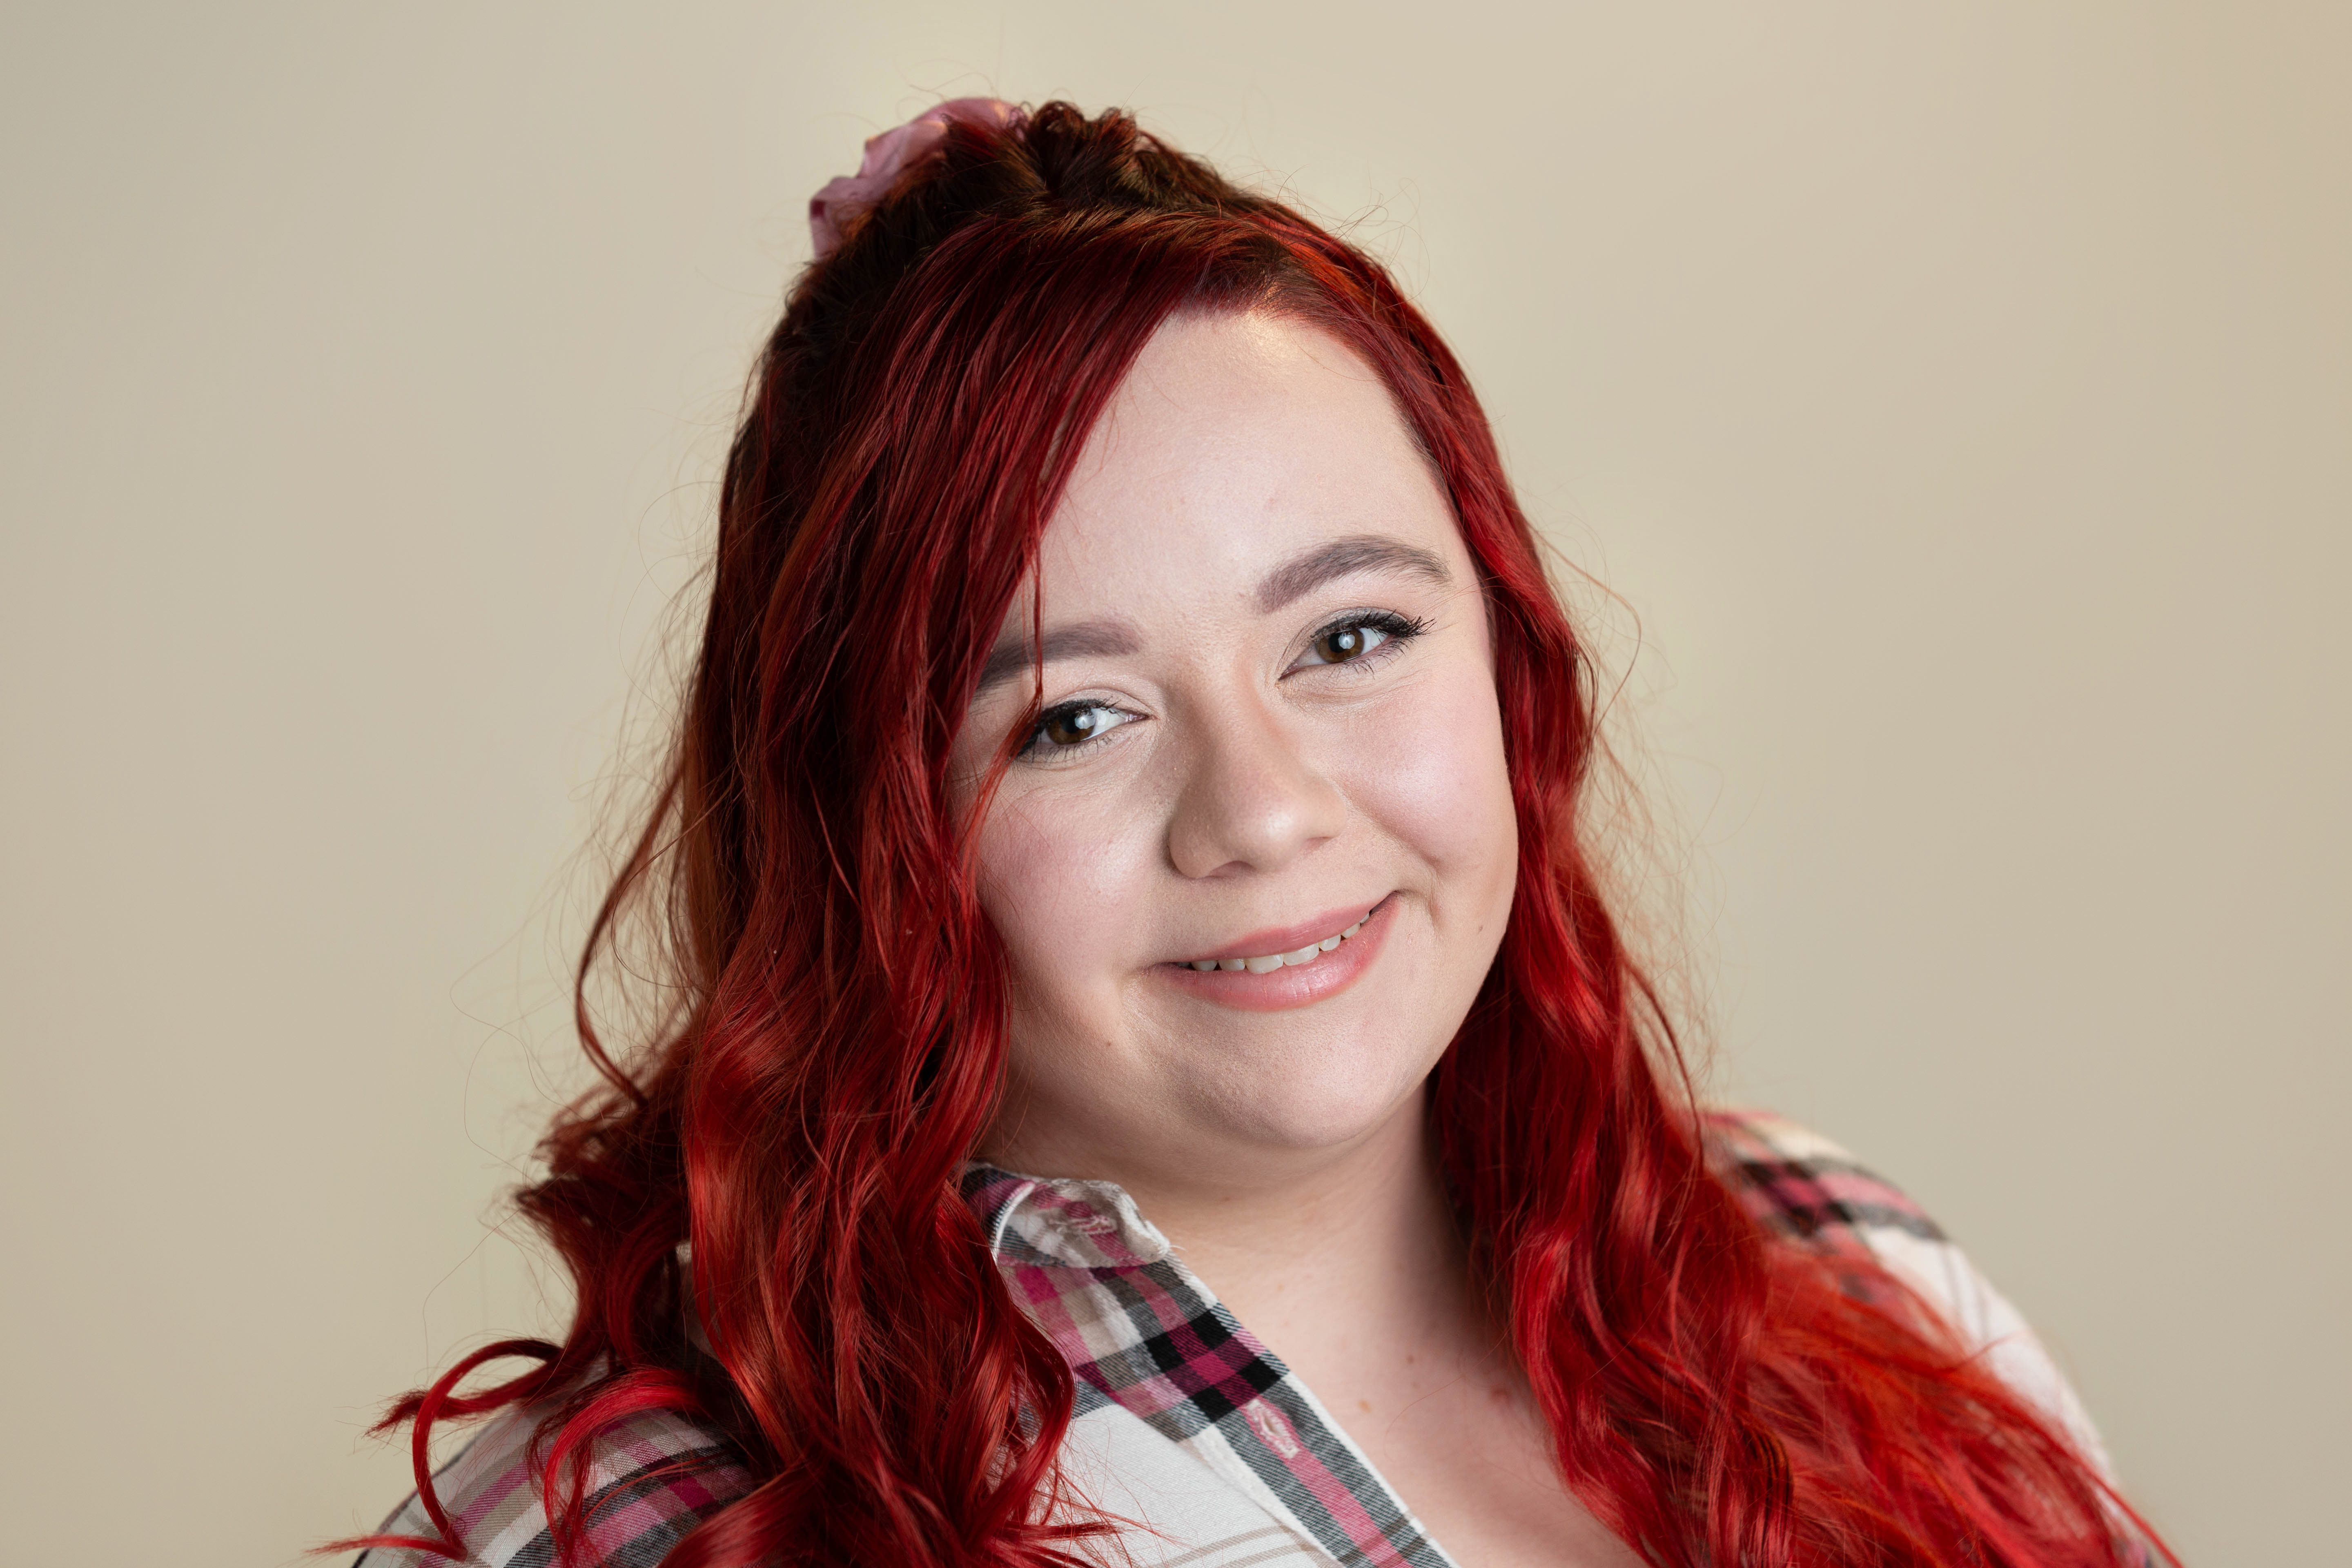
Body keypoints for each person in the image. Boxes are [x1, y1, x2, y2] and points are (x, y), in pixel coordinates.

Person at [343, 100, 2171, 1568]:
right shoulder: (615, 1541)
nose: (1268, 808)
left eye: (1352, 637)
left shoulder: (1847, 1261)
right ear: (865, 829)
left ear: (1512, 663)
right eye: (1072, 716)